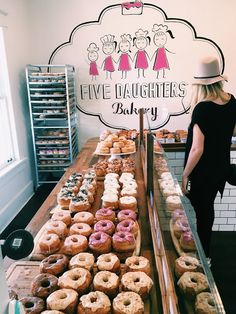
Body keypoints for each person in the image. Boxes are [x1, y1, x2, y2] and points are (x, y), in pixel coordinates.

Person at [182, 56, 236, 260]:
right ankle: (204, 252)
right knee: (207, 209)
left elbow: (197, 149)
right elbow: (232, 131)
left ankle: (205, 258)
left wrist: (185, 175)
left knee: (203, 213)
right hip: (220, 168)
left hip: (203, 172)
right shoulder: (231, 101)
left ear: (200, 85)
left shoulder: (202, 108)